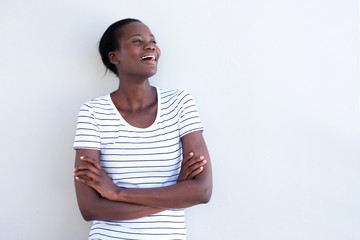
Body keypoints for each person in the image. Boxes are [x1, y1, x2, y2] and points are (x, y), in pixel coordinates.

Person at [73, 18, 212, 240]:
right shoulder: (93, 112)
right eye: (137, 41)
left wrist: (118, 193)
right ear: (114, 56)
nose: (150, 46)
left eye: (153, 41)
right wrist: (176, 194)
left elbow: (202, 191)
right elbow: (90, 208)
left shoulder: (180, 103)